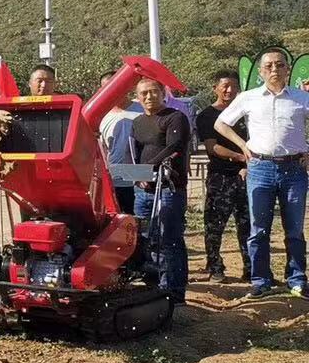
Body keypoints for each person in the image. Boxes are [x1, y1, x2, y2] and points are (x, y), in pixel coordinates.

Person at [213, 50, 309, 297]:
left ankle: (297, 279)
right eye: (269, 66)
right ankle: (261, 280)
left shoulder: (301, 97)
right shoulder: (248, 98)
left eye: (279, 65)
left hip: (294, 170)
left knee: (295, 230)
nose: (274, 69)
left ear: (288, 69)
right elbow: (220, 123)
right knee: (259, 229)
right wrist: (242, 145)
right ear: (260, 71)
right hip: (260, 168)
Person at [130, 77, 190, 305]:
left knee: (169, 240)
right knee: (146, 238)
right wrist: (138, 176)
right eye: (143, 93)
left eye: (153, 91)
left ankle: (174, 291)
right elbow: (133, 152)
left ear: (163, 93)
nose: (149, 97)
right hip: (143, 191)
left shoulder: (176, 117)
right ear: (137, 97)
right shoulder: (137, 122)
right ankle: (153, 286)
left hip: (168, 189)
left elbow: (174, 146)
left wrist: (147, 170)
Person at [197, 71, 250, 282]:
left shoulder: (246, 113)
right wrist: (242, 157)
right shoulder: (207, 116)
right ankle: (215, 267)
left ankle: (252, 269)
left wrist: (247, 166)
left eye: (234, 86)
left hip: (248, 176)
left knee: (248, 225)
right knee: (214, 225)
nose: (229, 90)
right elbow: (213, 148)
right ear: (215, 88)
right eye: (225, 86)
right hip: (220, 177)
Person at [97, 71, 140, 214]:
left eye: (115, 87)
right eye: (106, 89)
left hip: (140, 179)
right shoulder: (100, 117)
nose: (111, 93)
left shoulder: (142, 109)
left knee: (139, 221)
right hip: (113, 180)